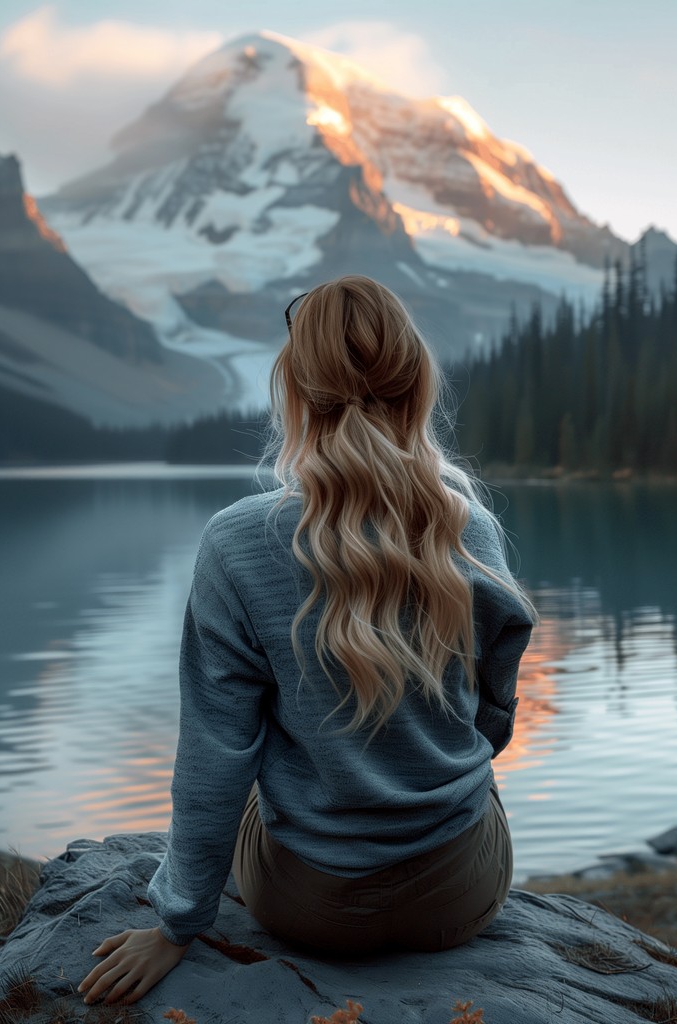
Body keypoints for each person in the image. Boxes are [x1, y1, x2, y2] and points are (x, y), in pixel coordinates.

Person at [78, 275, 537, 1006]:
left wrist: (178, 924)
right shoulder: (467, 528)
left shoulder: (235, 542)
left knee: (264, 769)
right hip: (459, 894)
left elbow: (215, 755)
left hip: (310, 908)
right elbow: (493, 717)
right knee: (468, 779)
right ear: (416, 384)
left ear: (293, 391)